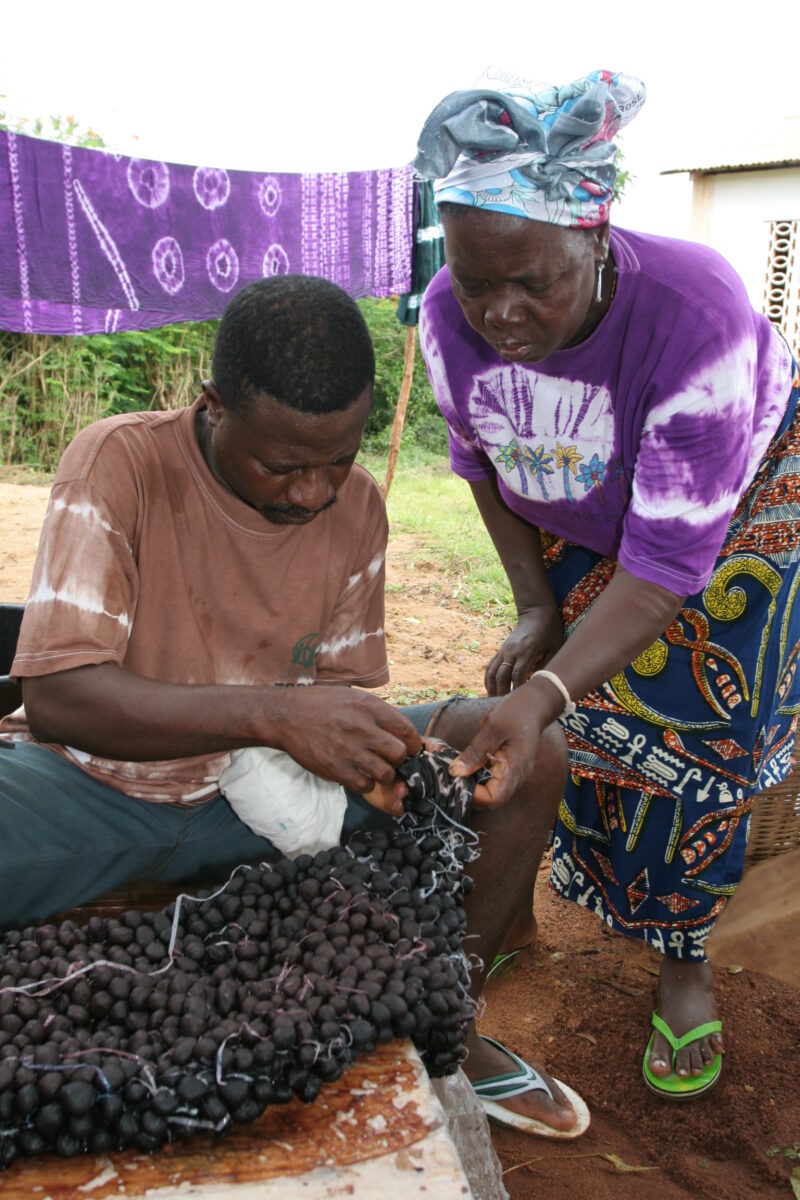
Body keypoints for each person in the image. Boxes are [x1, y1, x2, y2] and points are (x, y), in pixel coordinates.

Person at [0, 275, 588, 1138]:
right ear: (214, 408)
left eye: (337, 463)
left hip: (267, 795)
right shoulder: (121, 461)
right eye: (281, 464)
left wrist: (368, 752)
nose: (313, 493)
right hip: (95, 787)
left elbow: (324, 697)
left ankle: (448, 1017)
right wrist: (275, 716)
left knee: (516, 751)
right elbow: (59, 698)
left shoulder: (359, 511)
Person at [413, 69, 800, 1098]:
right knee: (567, 718)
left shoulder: (695, 318)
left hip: (728, 506)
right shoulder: (445, 317)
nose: (498, 311)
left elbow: (668, 567)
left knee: (694, 726)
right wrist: (536, 602)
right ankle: (530, 905)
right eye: (471, 277)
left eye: (531, 281)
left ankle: (680, 958)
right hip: (577, 497)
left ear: (596, 238)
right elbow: (479, 466)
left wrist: (543, 686)